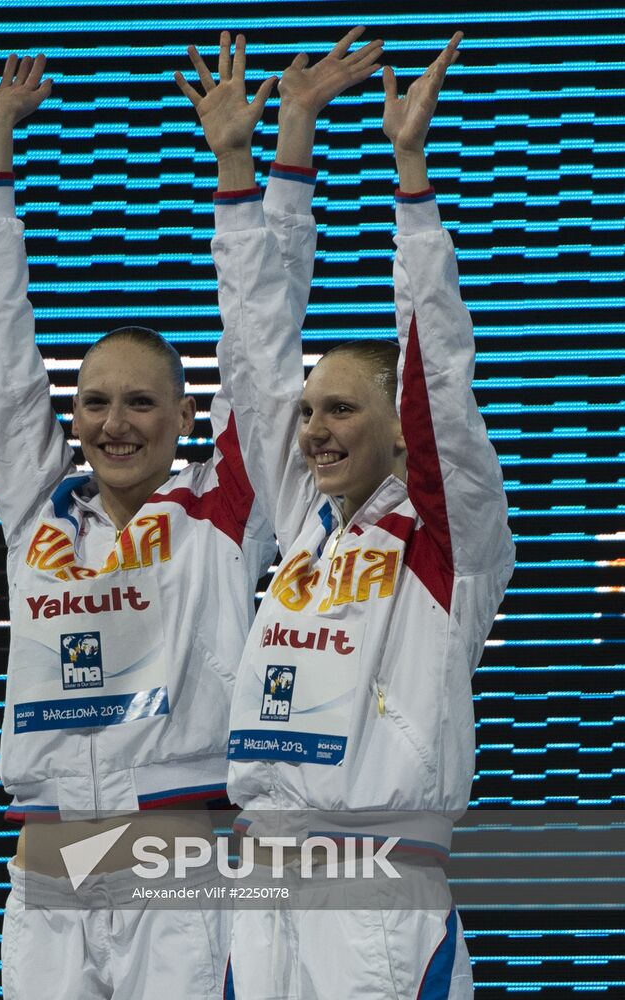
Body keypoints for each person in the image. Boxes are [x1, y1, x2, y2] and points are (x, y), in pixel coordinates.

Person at [0, 36, 381, 999]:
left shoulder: (222, 512)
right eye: (96, 401)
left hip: (177, 888)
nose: (115, 423)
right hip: (48, 888)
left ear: (188, 418)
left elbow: (263, 336)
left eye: (143, 403)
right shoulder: (38, 515)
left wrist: (259, 159)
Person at [181, 30, 515, 999]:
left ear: (394, 429)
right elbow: (253, 348)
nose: (313, 430)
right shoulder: (305, 529)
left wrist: (410, 178)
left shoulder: (445, 541)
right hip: (264, 898)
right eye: (309, 410)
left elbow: (439, 382)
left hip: (378, 901)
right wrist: (243, 166)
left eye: (340, 408)